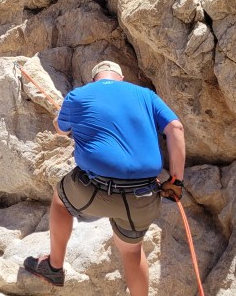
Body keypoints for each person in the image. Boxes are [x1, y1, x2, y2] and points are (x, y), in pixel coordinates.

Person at [23, 60, 186, 296]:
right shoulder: (145, 95)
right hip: (143, 196)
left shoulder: (78, 95)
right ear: (120, 78)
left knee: (61, 198)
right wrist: (176, 180)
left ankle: (54, 267)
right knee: (131, 251)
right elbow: (176, 128)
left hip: (94, 191)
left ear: (94, 79)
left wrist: (62, 119)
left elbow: (61, 129)